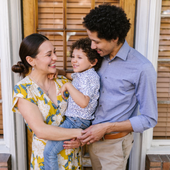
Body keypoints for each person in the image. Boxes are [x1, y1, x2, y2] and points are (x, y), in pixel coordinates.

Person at [77, 4, 158, 170]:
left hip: (114, 145)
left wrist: (106, 127)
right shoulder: (96, 58)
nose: (92, 46)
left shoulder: (142, 68)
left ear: (114, 37)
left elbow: (149, 118)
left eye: (96, 41)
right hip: (91, 140)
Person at [12, 33, 83, 170]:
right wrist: (81, 134)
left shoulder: (63, 82)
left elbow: (82, 113)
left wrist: (80, 141)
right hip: (45, 163)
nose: (55, 58)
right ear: (31, 60)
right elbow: (41, 130)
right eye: (49, 54)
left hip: (71, 160)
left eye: (54, 52)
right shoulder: (23, 90)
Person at [43, 37, 102, 170]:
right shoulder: (82, 74)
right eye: (73, 56)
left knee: (49, 152)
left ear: (93, 62)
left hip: (76, 121)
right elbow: (70, 75)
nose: (74, 60)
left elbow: (83, 102)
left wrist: (69, 86)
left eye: (79, 57)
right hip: (76, 121)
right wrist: (60, 72)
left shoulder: (89, 77)